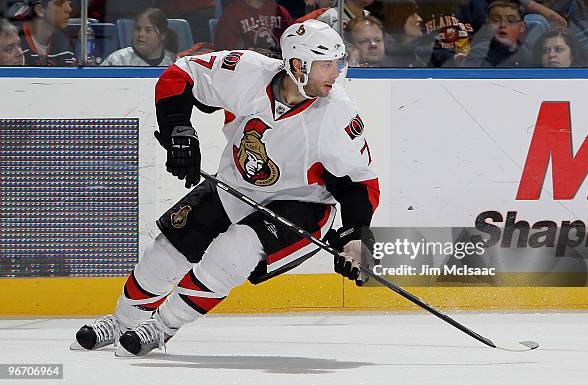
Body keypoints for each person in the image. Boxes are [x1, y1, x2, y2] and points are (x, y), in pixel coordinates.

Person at [70, 19, 379, 357]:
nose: (335, 73)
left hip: (303, 203)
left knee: (233, 252)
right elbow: (180, 75)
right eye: (325, 65)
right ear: (295, 65)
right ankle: (122, 321)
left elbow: (359, 184)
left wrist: (355, 235)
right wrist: (178, 131)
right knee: (166, 251)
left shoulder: (339, 114)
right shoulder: (246, 71)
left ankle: (161, 327)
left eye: (338, 63)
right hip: (234, 185)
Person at [463, 0, 534, 67]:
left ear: (522, 27)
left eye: (510, 21)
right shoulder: (478, 53)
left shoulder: (531, 54)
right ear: (488, 25)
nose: (502, 25)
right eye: (496, 20)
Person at [214, 0, 292, 58]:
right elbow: (224, 55)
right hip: (249, 71)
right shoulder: (231, 15)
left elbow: (293, 44)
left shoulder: (280, 11)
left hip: (279, 68)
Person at [101, 8, 177, 66]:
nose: (141, 34)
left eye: (148, 30)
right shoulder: (117, 60)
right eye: (138, 29)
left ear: (162, 35)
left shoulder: (174, 62)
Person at [8, 0, 75, 65]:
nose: (69, 9)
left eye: (69, 3)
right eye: (59, 3)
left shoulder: (64, 44)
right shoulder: (9, 40)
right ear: (39, 10)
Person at [383, 0, 427, 67]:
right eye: (412, 14)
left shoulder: (416, 59)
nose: (419, 19)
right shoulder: (383, 58)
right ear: (399, 18)